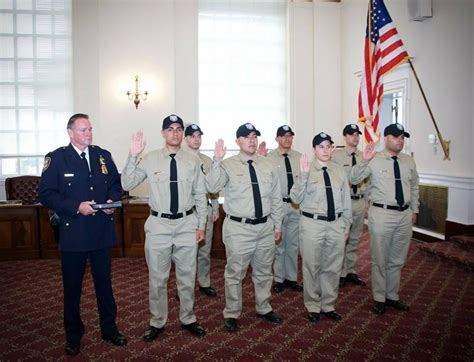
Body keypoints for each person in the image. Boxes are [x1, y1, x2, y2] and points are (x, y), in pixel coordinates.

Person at [39, 113, 127, 356]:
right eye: (83, 130)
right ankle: (73, 336)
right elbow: (46, 194)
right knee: (72, 288)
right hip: (74, 234)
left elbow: (115, 184)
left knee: (104, 286)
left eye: (90, 129)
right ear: (70, 132)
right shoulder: (57, 159)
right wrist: (76, 206)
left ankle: (109, 329)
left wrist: (112, 200)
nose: (88, 133)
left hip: (100, 232)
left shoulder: (103, 156)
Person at [121, 114, 208, 340]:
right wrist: (133, 155)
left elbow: (200, 195)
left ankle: (188, 317)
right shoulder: (149, 159)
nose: (175, 133)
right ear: (163, 133)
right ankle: (157, 321)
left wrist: (201, 225)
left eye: (179, 129)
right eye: (170, 129)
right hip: (159, 225)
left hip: (187, 224)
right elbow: (127, 183)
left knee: (187, 277)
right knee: (158, 279)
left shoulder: (193, 161)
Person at [206, 123, 284, 332]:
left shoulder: (267, 165)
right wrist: (217, 160)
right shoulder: (228, 165)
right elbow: (212, 187)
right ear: (238, 141)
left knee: (264, 272)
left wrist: (277, 224)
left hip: (265, 227)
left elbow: (276, 198)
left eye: (254, 136)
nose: (252, 140)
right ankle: (232, 312)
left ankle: (264, 307)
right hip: (239, 229)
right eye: (247, 136)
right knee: (235, 273)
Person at [351, 123, 419, 315]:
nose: (400, 140)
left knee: (397, 259)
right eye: (396, 137)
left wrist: (414, 209)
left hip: (404, 215)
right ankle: (379, 297)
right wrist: (364, 161)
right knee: (380, 258)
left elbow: (414, 186)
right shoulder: (374, 159)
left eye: (402, 137)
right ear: (386, 138)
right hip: (382, 214)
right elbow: (354, 179)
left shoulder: (408, 161)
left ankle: (392, 295)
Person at [290, 132, 352, 323]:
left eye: (328, 146)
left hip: (335, 224)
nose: (325, 150)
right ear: (314, 149)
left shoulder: (339, 170)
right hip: (312, 225)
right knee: (312, 266)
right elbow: (295, 199)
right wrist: (303, 176)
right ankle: (313, 305)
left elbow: (346, 200)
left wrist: (346, 224)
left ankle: (328, 305)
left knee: (333, 267)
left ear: (332, 148)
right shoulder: (306, 170)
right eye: (320, 146)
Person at [266, 125, 303, 293]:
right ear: (277, 139)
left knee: (293, 244)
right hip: (278, 205)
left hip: (296, 205)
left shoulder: (300, 157)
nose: (287, 139)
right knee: (278, 244)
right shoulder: (269, 158)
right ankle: (279, 278)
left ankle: (291, 278)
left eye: (290, 136)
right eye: (283, 136)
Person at [184, 123, 220, 297]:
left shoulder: (206, 160)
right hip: (187, 212)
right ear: (185, 139)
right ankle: (184, 286)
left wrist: (215, 208)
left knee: (204, 251)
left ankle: (204, 282)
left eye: (199, 136)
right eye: (192, 136)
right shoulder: (180, 158)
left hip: (204, 210)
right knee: (186, 253)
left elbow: (213, 186)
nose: (196, 139)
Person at [331, 124, 368, 288]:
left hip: (359, 201)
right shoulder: (336, 156)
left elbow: (369, 181)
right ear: (345, 137)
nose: (355, 137)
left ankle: (351, 270)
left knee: (354, 239)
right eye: (352, 135)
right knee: (341, 239)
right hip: (343, 203)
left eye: (357, 135)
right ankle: (340, 273)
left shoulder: (364, 156)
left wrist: (367, 203)